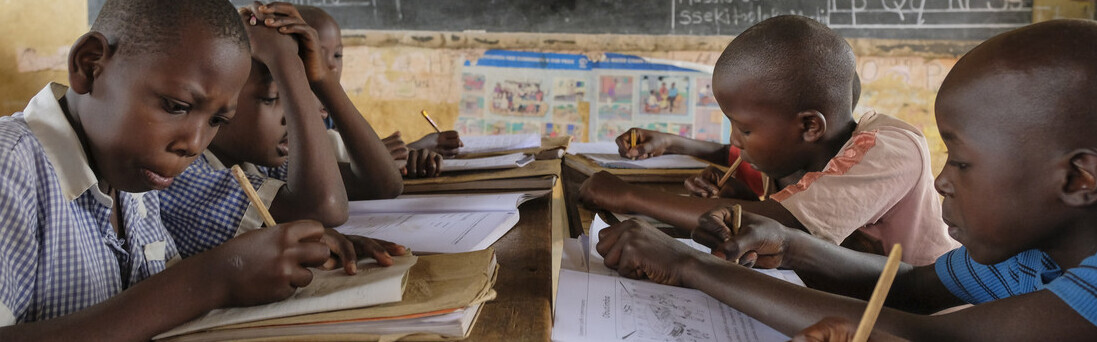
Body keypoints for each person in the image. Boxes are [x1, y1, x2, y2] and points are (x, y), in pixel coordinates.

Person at [594, 19, 1097, 340]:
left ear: (1079, 178)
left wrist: (688, 265)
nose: (942, 183)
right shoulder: (1029, 257)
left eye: (962, 164)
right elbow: (914, 286)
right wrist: (792, 247)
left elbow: (927, 334)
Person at [0, 1, 400, 340]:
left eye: (216, 122)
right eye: (175, 106)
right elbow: (187, 290)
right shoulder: (12, 167)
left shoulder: (133, 177)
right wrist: (212, 279)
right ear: (90, 66)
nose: (193, 143)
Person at [583, 15, 955, 264]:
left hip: (923, 315)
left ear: (810, 126)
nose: (734, 138)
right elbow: (741, 160)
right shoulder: (796, 154)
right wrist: (677, 144)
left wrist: (629, 195)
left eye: (744, 128)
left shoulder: (891, 150)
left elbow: (782, 224)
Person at [159, 2, 406, 260]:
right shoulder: (183, 173)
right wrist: (284, 59)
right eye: (270, 99)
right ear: (221, 104)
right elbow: (326, 208)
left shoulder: (256, 162)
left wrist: (322, 78)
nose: (293, 118)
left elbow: (382, 185)